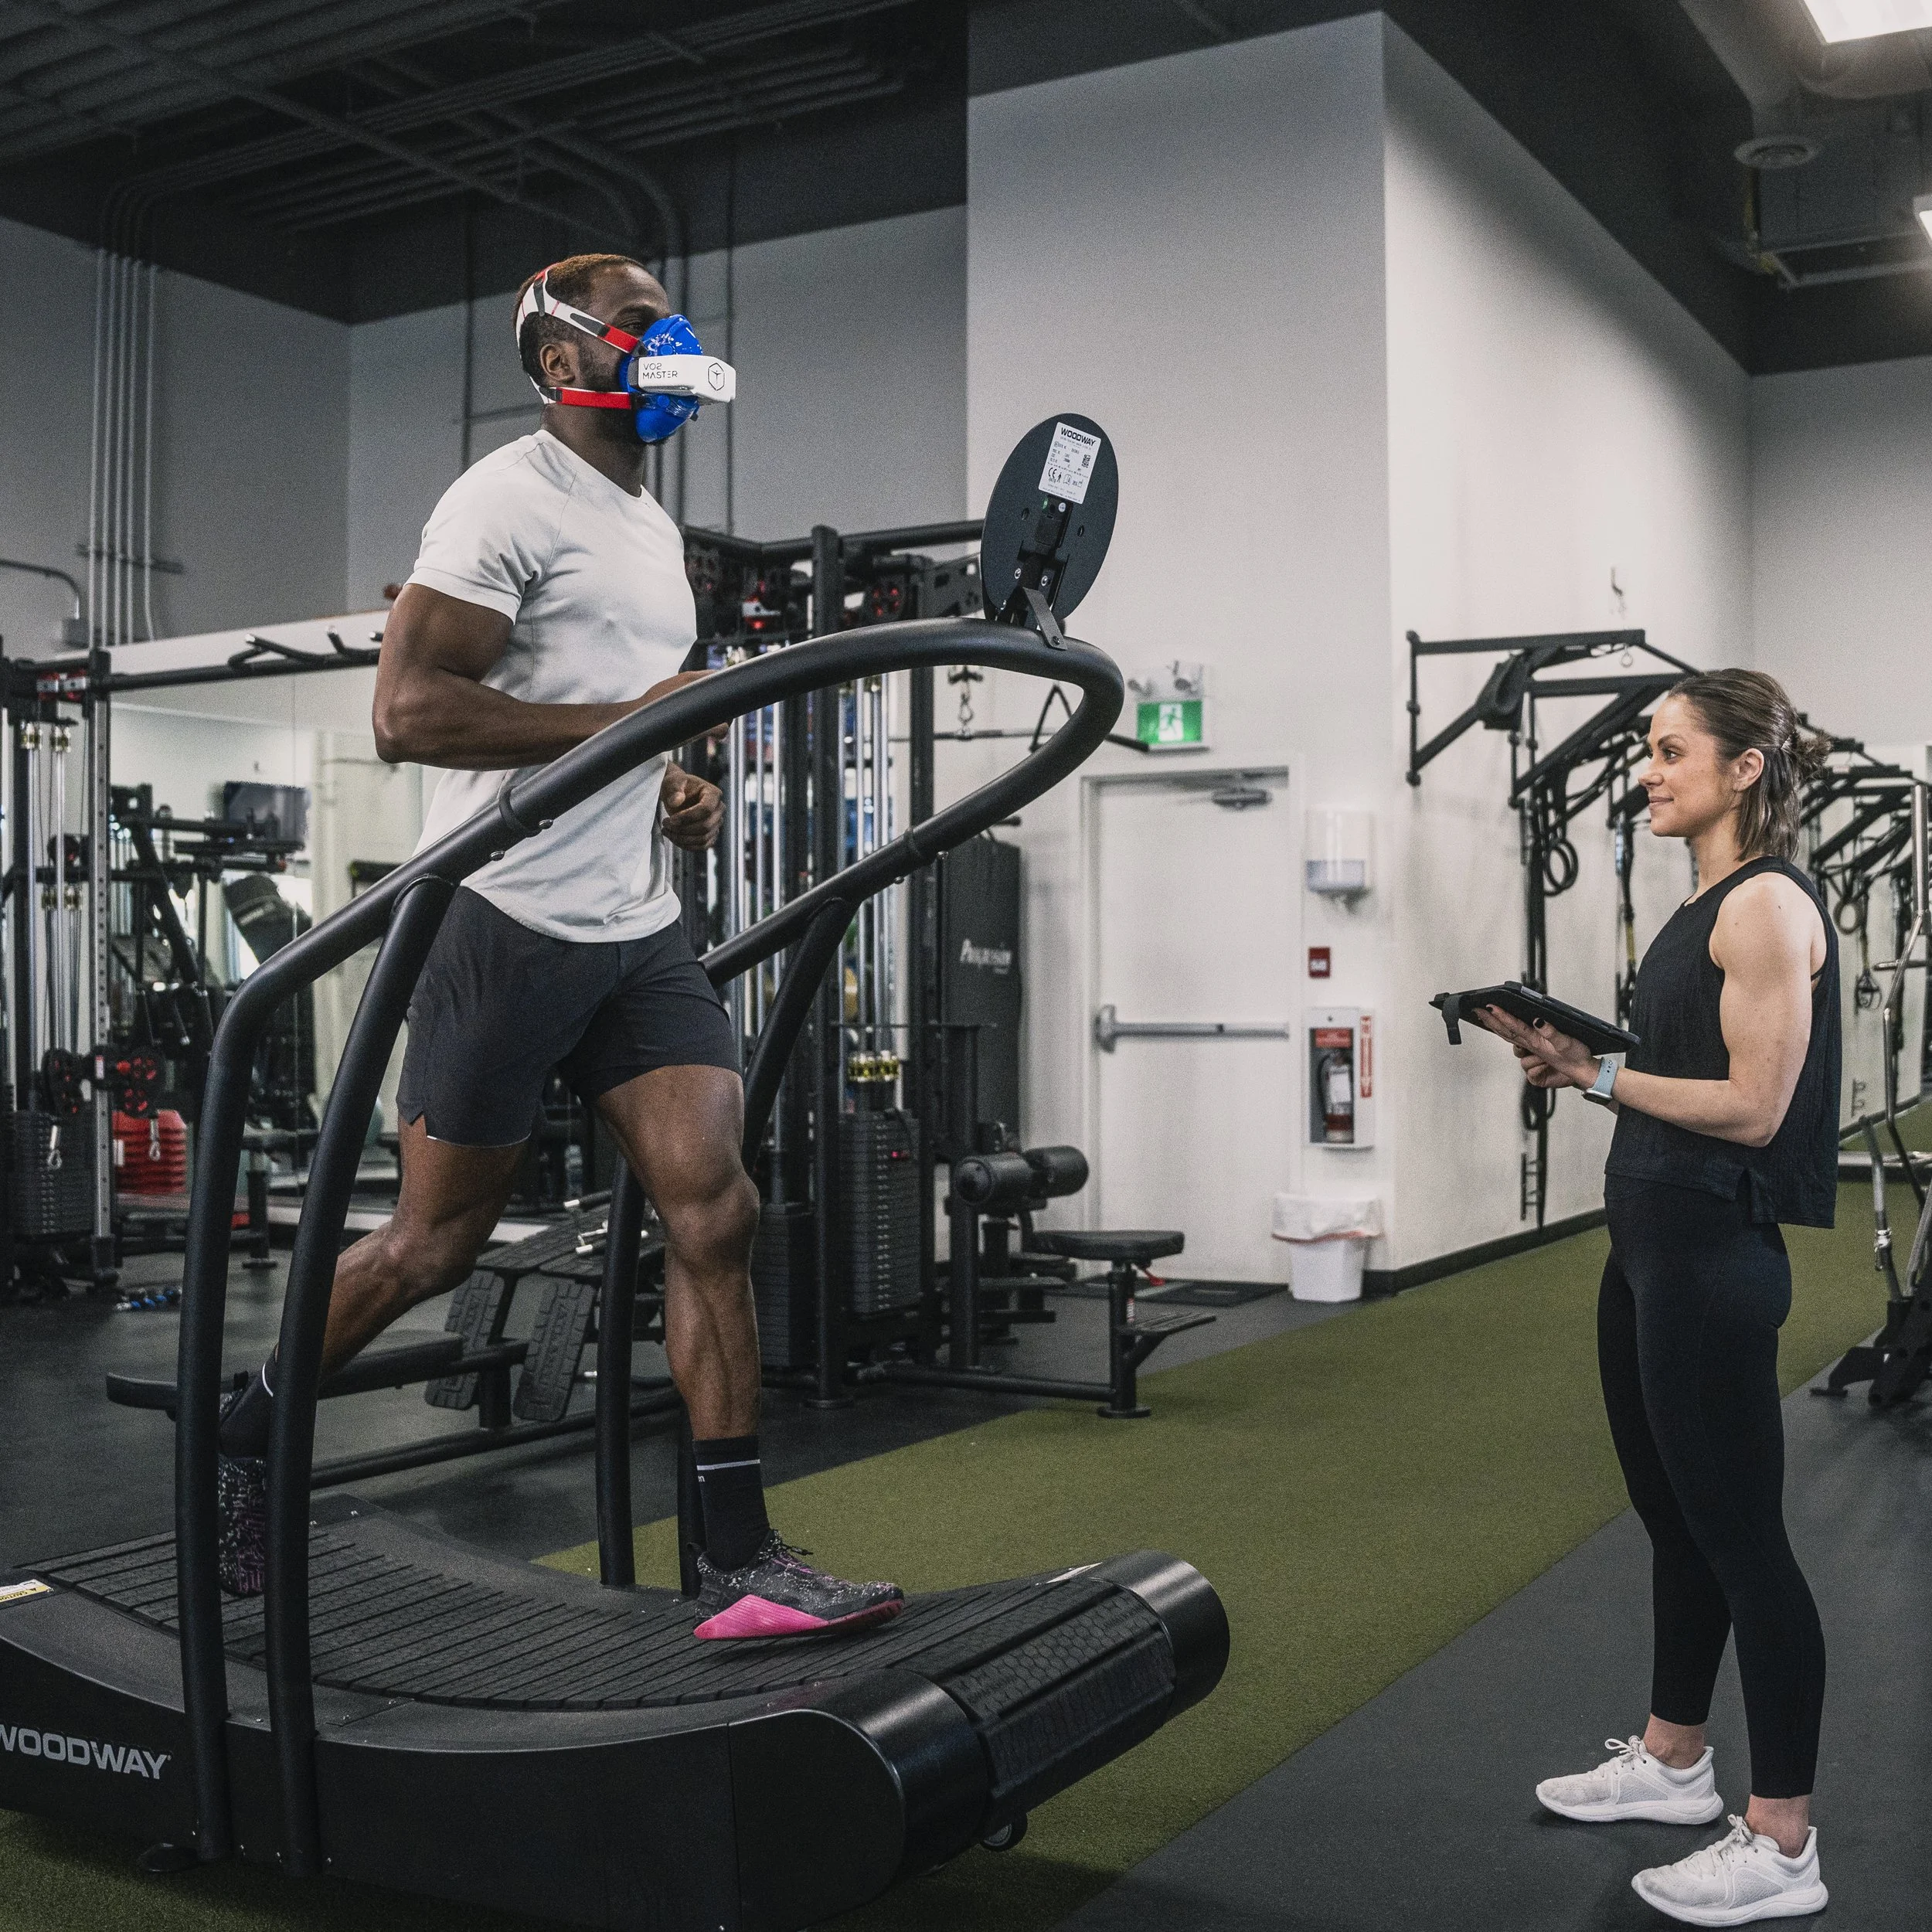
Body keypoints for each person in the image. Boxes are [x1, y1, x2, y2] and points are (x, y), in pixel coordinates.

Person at [213, 252, 902, 1642]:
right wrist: (632, 727)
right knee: (430, 1248)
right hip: (504, 918)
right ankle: (241, 1446)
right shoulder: (501, 499)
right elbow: (407, 713)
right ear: (560, 361)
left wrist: (674, 780)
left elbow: (630, 719)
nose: (667, 342)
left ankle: (733, 1552)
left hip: (637, 930)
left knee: (718, 1211)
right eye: (640, 325)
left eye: (673, 321)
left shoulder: (651, 526)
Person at [1475, 669, 1836, 1926]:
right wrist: (1584, 1067)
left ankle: (1784, 1841)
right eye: (1648, 748)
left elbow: (1756, 1108)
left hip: (1716, 1262)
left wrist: (1596, 1074)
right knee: (1674, 1522)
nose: (1650, 770)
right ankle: (1675, 1763)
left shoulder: (1768, 907)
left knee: (1746, 1545)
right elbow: (1667, 1078)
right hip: (1648, 1253)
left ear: (1744, 769)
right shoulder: (1696, 911)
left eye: (1674, 750)